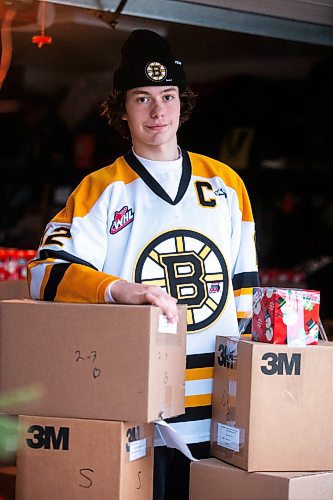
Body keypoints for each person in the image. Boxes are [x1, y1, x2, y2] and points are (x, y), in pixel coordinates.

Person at [28, 29, 259, 500]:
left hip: (220, 417)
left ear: (182, 102)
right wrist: (118, 289)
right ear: (121, 108)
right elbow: (42, 274)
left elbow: (245, 298)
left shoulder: (227, 185)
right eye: (142, 98)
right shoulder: (100, 190)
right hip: (140, 414)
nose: (158, 112)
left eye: (168, 96)